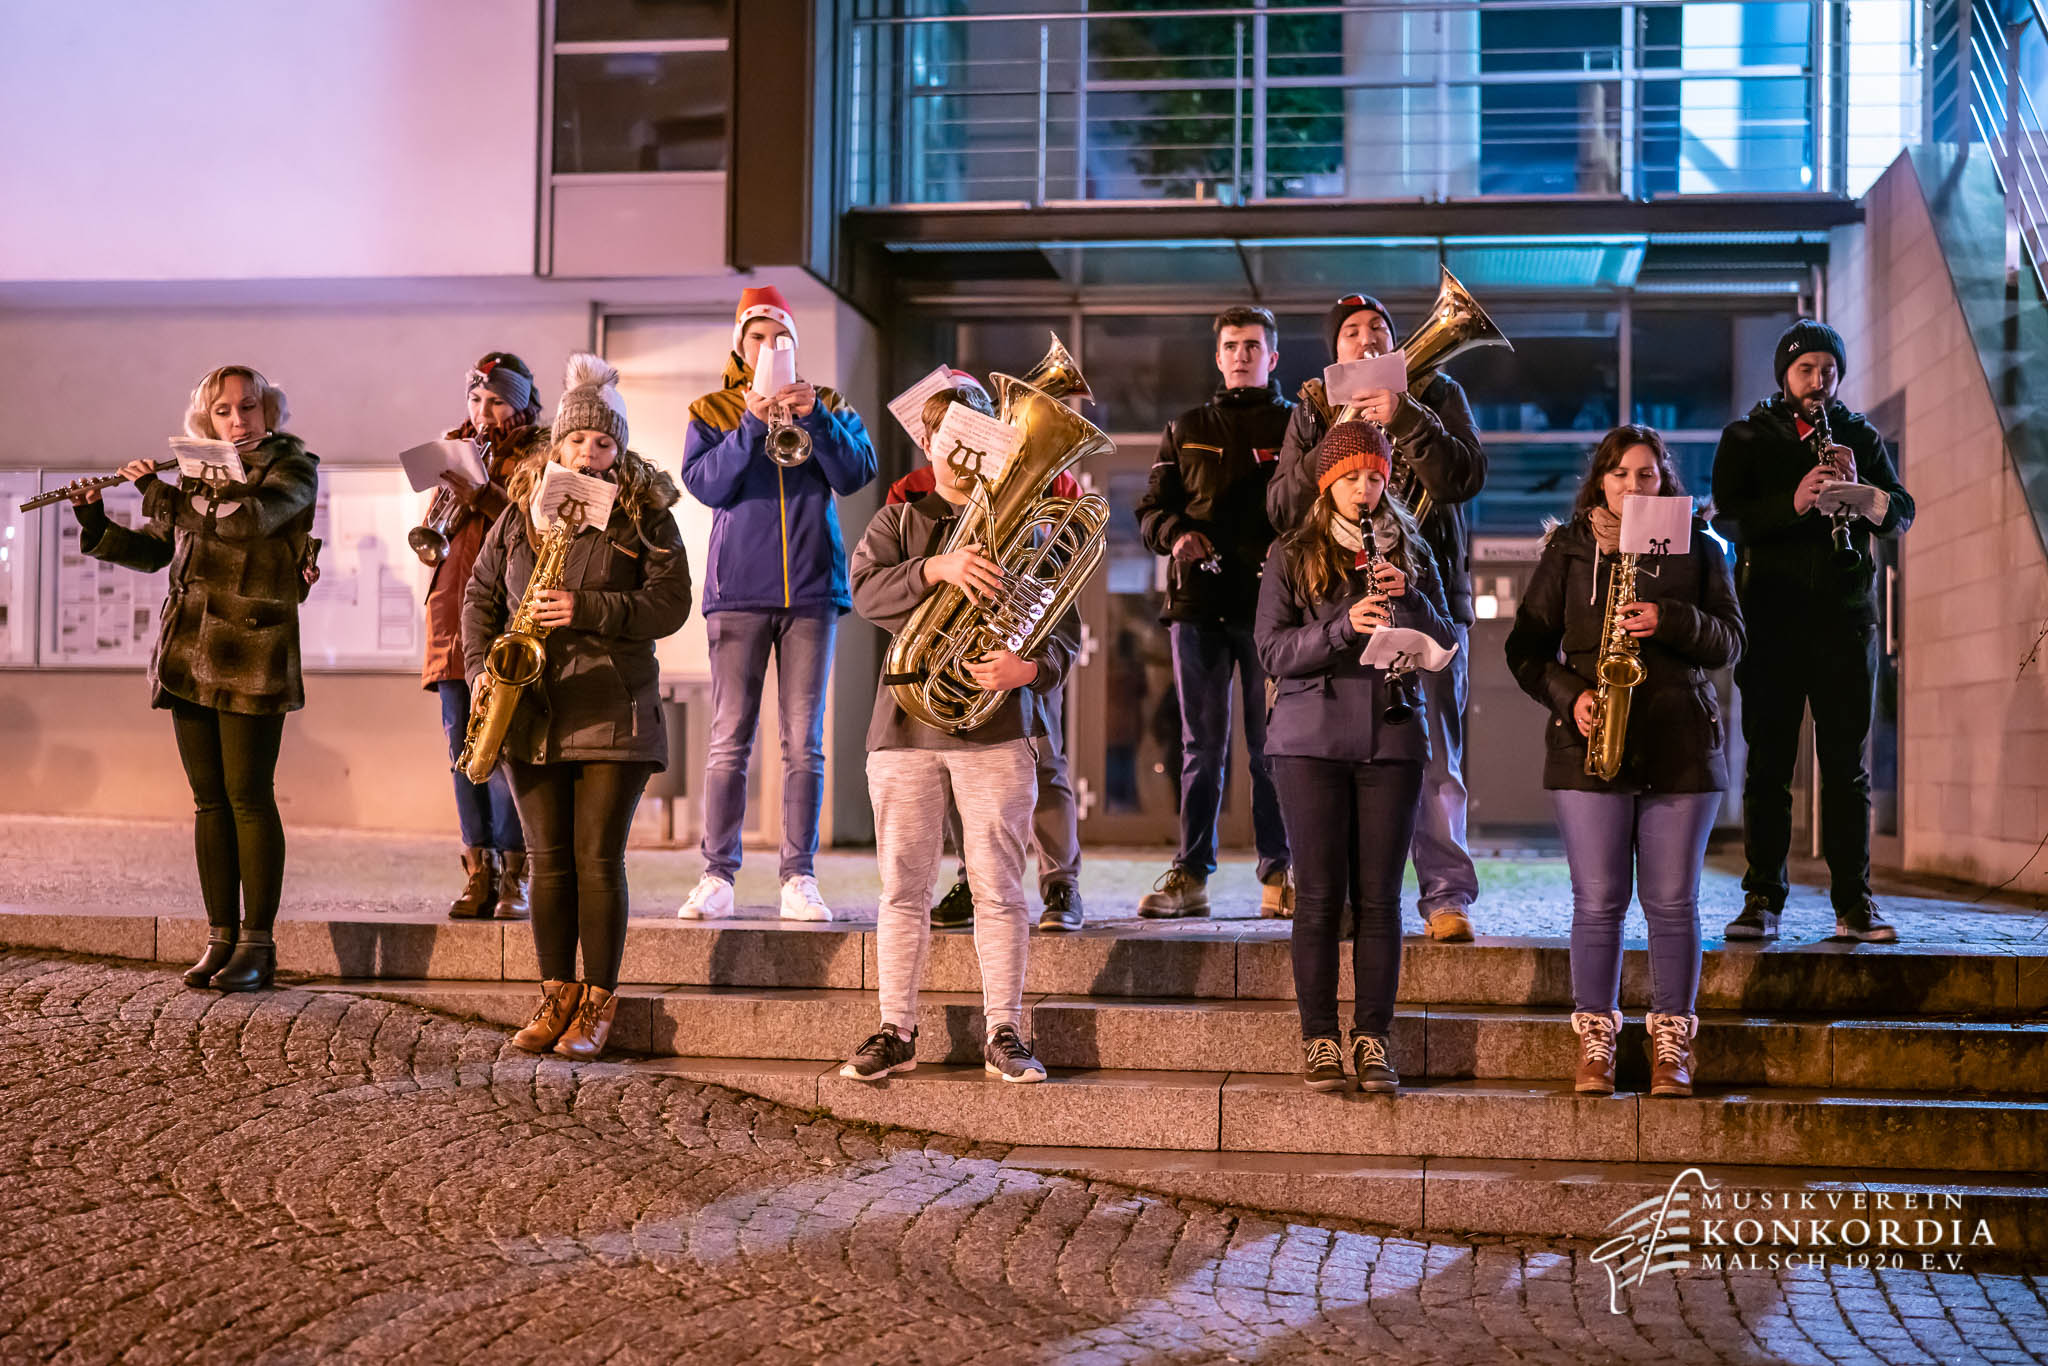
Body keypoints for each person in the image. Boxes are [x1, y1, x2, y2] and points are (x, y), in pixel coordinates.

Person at [838, 386, 1079, 1085]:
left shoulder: (1028, 527)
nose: (961, 448)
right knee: (901, 889)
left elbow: (1064, 632)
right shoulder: (899, 520)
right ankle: (896, 1028)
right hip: (905, 730)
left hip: (997, 731)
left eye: (977, 434)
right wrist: (936, 568)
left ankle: (1005, 1029)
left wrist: (1027, 667)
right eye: (948, 434)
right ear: (930, 442)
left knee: (1000, 888)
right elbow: (863, 593)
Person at [464, 356, 693, 1060]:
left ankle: (598, 1002)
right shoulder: (519, 514)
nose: (589, 454)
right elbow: (479, 597)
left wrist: (587, 607)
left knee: (597, 860)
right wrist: (480, 670)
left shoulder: (643, 515)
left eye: (604, 443)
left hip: (613, 710)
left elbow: (670, 603)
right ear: (556, 445)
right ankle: (555, 991)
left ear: (619, 451)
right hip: (532, 711)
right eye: (577, 442)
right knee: (548, 861)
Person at [1505, 426, 1745, 1098]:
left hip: (1680, 745)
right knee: (1599, 903)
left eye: (1647, 475)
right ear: (1600, 482)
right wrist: (1570, 695)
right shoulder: (1569, 548)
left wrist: (1668, 618)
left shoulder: (1701, 544)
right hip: (1590, 743)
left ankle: (1672, 1041)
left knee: (1673, 903)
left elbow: (1730, 640)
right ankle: (1597, 1040)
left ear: (1665, 480)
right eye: (1621, 475)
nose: (1635, 486)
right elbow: (1524, 649)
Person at [70, 366, 319, 993]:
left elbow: (242, 521)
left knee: (248, 796)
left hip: (253, 652)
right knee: (209, 801)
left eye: (249, 408)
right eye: (225, 411)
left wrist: (157, 489)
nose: (238, 421)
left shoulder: (293, 468)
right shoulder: (197, 474)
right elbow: (159, 550)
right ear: (206, 419)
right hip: (188, 652)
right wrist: (95, 522)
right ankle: (221, 939)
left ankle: (258, 945)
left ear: (269, 412)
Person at [1268, 294, 1486, 942]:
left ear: (1395, 345)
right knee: (1332, 756)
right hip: (1335, 604)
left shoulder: (1437, 391)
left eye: (1378, 331)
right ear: (1336, 350)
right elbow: (1281, 505)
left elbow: (1464, 477)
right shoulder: (1312, 404)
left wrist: (1408, 417)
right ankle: (1327, 892)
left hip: (1427, 596)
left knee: (1437, 758)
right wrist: (1339, 446)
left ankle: (1447, 896)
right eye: (1352, 332)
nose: (1365, 341)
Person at [1257, 422, 1455, 1094]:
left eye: (1374, 477)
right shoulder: (1292, 552)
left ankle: (1373, 1037)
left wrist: (1412, 598)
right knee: (1317, 897)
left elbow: (1446, 641)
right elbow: (1273, 652)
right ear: (1327, 485)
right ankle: (1318, 1038)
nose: (1364, 489)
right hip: (1309, 741)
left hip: (1392, 740)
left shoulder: (1411, 551)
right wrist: (1345, 626)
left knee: (1381, 900)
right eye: (1351, 478)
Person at [676, 286, 877, 923]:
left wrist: (813, 417)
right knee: (729, 740)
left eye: (780, 337)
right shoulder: (712, 408)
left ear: (794, 345)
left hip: (813, 591)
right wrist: (749, 425)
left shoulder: (829, 403)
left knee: (804, 742)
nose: (768, 346)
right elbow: (705, 484)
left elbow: (856, 473)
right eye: (758, 335)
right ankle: (717, 875)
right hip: (737, 592)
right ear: (740, 342)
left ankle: (799, 877)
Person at [1711, 320, 1914, 944]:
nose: (1818, 381)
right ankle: (1762, 898)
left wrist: (1867, 496)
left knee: (1847, 770)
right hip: (1771, 622)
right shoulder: (1746, 436)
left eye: (1828, 370)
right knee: (1768, 765)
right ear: (1784, 375)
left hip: (1846, 623)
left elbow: (1901, 512)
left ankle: (1854, 902)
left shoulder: (1858, 434)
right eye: (1806, 370)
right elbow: (1729, 519)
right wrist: (1795, 502)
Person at [884, 373, 1084, 932]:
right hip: (956, 652)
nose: (945, 443)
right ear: (926, 438)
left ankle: (1060, 882)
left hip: (1020, 648)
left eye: (966, 429)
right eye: (936, 433)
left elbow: (1058, 571)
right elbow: (897, 584)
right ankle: (972, 877)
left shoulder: (1029, 479)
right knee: (953, 764)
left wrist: (1031, 663)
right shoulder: (910, 493)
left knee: (1045, 761)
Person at [1133, 305, 1295, 920]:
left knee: (1270, 747)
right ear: (1219, 356)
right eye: (1231, 345)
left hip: (1271, 610)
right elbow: (1150, 510)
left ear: (1271, 357)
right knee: (1201, 747)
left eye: (1253, 345)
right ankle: (1192, 874)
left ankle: (1280, 872)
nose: (1241, 354)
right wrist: (1175, 532)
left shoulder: (1298, 425)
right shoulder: (1185, 426)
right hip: (1197, 605)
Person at [422, 354, 545, 922]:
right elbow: (438, 528)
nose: (484, 411)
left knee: (504, 747)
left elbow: (538, 531)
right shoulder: (458, 448)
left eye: (496, 400)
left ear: (519, 402)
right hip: (451, 614)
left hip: (503, 619)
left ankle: (515, 873)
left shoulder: (540, 452)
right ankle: (478, 870)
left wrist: (482, 494)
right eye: (476, 399)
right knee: (460, 749)